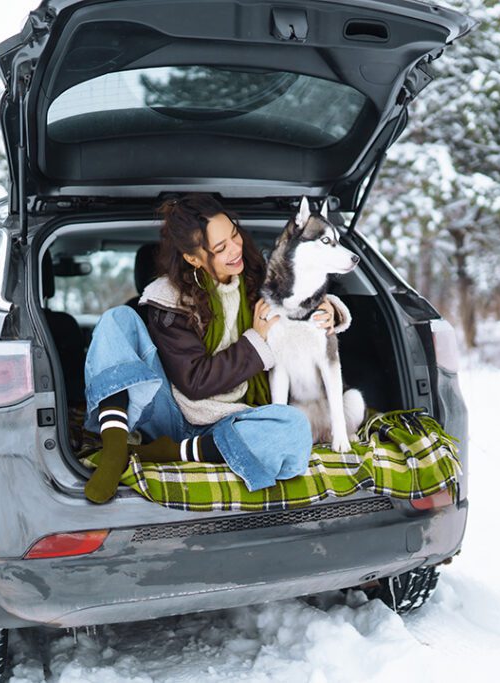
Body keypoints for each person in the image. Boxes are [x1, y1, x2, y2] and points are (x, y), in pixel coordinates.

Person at [82, 193, 349, 503]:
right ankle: (115, 451)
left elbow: (296, 291)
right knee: (117, 319)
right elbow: (196, 384)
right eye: (220, 248)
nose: (235, 249)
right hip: (172, 409)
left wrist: (330, 308)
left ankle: (168, 453)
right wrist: (255, 342)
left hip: (231, 421)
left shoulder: (256, 277)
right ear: (194, 259)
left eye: (234, 234)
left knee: (293, 429)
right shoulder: (168, 301)